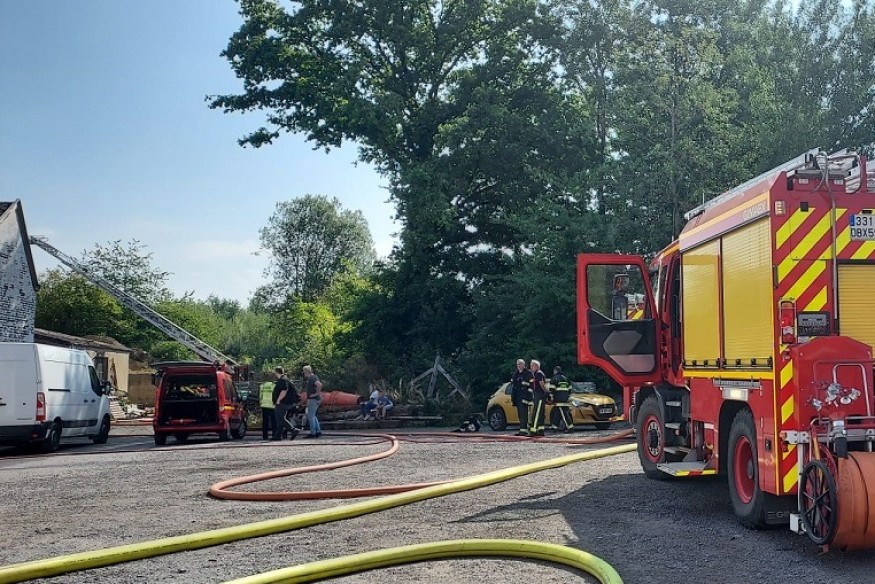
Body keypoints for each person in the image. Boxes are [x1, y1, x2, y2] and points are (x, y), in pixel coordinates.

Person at [271, 367, 299, 440]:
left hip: (283, 402)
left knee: (280, 418)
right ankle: (278, 435)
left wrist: (278, 400)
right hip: (286, 402)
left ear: (277, 372)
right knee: (281, 418)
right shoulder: (285, 379)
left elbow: (284, 390)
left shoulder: (282, 380)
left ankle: (293, 430)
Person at [510, 358, 534, 436]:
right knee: (520, 414)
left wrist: (528, 395)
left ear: (524, 365)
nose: (519, 366)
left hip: (526, 398)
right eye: (518, 364)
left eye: (520, 364)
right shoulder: (515, 374)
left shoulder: (528, 373)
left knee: (525, 414)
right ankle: (522, 430)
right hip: (518, 398)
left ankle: (525, 430)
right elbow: (513, 386)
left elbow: (532, 385)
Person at [550, 366, 573, 433]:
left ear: (555, 371)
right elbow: (570, 389)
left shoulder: (554, 378)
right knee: (557, 414)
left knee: (564, 414)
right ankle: (554, 428)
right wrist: (567, 396)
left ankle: (570, 428)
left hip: (558, 400)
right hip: (565, 399)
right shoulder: (566, 378)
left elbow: (552, 390)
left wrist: (551, 399)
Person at [528, 360, 548, 437]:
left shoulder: (538, 374)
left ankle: (533, 431)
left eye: (532, 365)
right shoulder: (537, 373)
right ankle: (540, 431)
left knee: (536, 413)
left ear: (537, 366)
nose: (531, 367)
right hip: (538, 395)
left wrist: (546, 392)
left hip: (539, 395)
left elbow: (541, 383)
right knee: (540, 413)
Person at [302, 365, 323, 438]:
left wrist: (316, 393)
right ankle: (318, 431)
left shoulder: (312, 378)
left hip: (313, 399)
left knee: (310, 416)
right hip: (315, 399)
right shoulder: (314, 377)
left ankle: (313, 433)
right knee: (313, 416)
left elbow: (319, 384)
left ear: (306, 371)